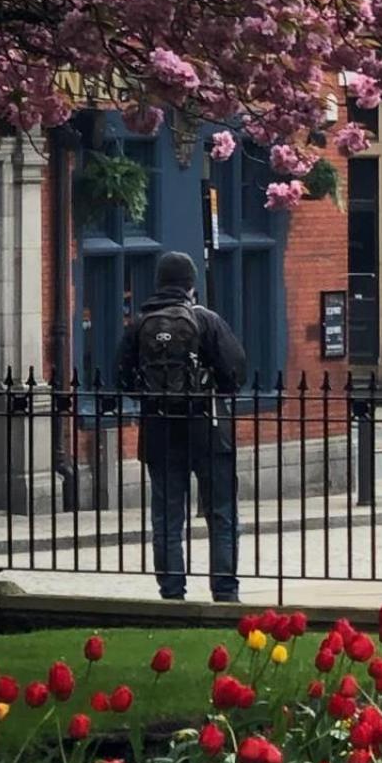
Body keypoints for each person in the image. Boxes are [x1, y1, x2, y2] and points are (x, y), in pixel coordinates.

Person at [116, 251, 247, 602]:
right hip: (207, 428)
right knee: (221, 513)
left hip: (159, 430)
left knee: (167, 519)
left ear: (159, 282)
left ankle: (172, 593)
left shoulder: (140, 325)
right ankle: (225, 590)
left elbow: (121, 379)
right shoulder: (206, 321)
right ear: (191, 285)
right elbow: (236, 372)